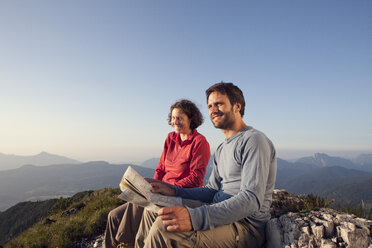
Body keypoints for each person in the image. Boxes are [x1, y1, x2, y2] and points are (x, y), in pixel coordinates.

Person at [135, 82, 277, 248]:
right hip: (218, 210)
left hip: (244, 226)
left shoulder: (253, 140)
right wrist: (173, 190)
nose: (213, 110)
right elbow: (212, 190)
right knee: (154, 209)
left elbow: (251, 199)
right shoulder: (222, 148)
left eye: (219, 104)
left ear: (237, 107)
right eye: (210, 106)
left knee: (164, 227)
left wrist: (195, 218)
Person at [103, 99, 211, 248]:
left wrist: (169, 188)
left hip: (181, 194)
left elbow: (196, 178)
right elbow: (160, 169)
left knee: (139, 206)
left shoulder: (199, 142)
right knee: (113, 216)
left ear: (191, 119)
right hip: (161, 190)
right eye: (173, 118)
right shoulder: (170, 138)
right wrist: (152, 186)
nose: (175, 122)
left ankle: (125, 244)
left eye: (179, 118)